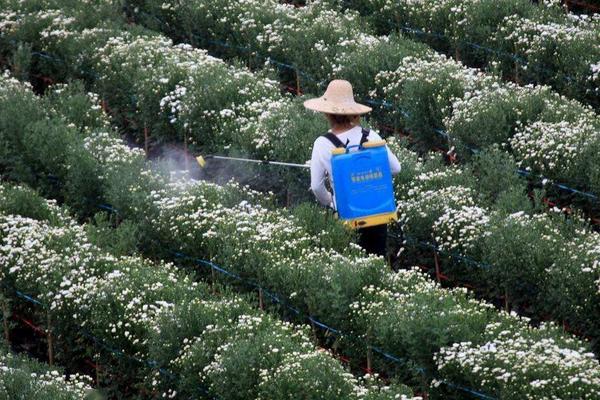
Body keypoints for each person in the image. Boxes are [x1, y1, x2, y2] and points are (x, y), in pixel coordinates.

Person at [304, 79, 401, 257]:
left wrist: (332, 202)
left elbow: (317, 187)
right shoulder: (370, 135)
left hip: (348, 215)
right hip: (378, 213)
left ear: (327, 113)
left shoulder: (323, 143)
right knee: (376, 263)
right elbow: (396, 168)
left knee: (353, 262)